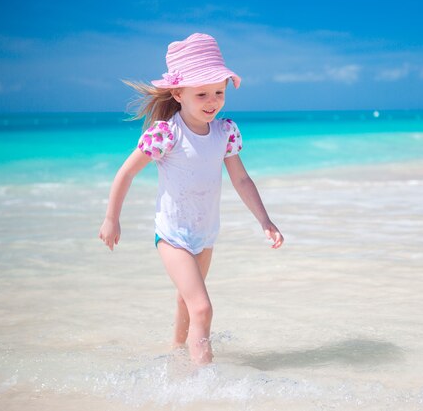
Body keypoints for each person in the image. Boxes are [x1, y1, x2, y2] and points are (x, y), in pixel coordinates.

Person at [98, 33, 284, 364]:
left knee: (186, 301)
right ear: (178, 93)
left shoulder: (225, 131)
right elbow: (126, 173)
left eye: (219, 92)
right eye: (202, 94)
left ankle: (176, 356)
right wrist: (112, 218)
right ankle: (204, 380)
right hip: (172, 235)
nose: (212, 101)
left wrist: (265, 220)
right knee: (202, 306)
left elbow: (241, 179)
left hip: (205, 233)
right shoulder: (166, 133)